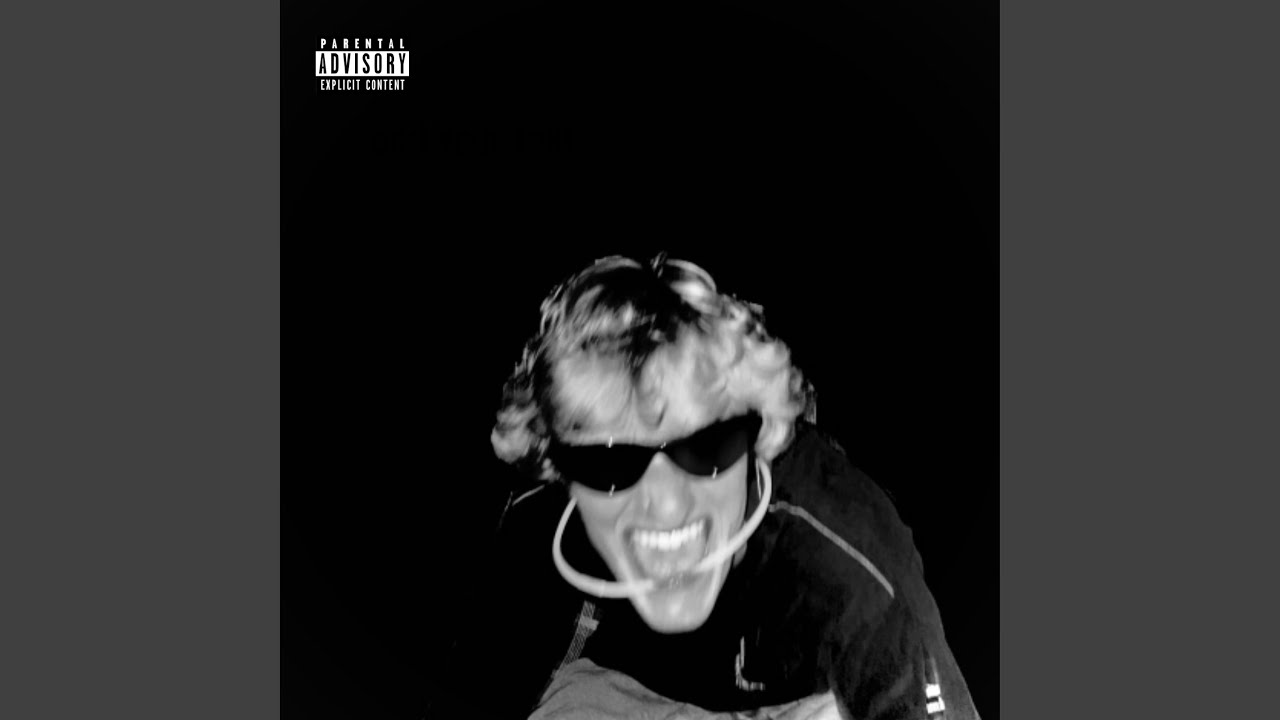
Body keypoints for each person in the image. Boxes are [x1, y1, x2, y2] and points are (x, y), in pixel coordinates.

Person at [433, 255, 981, 720]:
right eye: (610, 463)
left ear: (759, 436)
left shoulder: (847, 554)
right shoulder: (534, 531)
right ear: (559, 469)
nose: (666, 504)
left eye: (707, 446)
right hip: (623, 696)